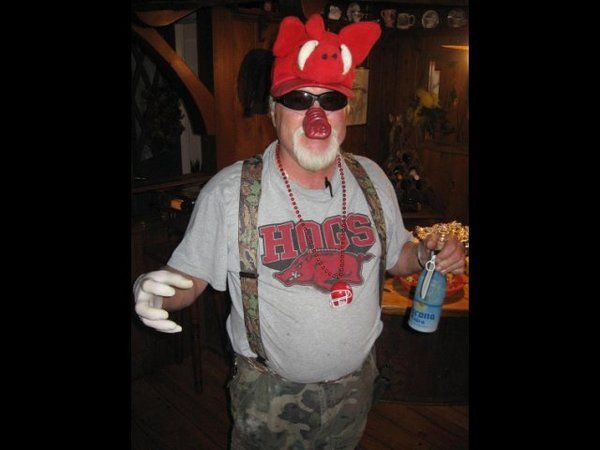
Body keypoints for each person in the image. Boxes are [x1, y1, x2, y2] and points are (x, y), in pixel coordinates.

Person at [133, 13, 465, 449]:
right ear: (274, 111)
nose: (316, 115)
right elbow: (189, 278)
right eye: (299, 99)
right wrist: (152, 291)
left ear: (346, 112)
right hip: (270, 396)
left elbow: (396, 255)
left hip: (355, 387)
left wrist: (424, 256)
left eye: (331, 100)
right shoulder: (232, 192)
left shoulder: (372, 177)